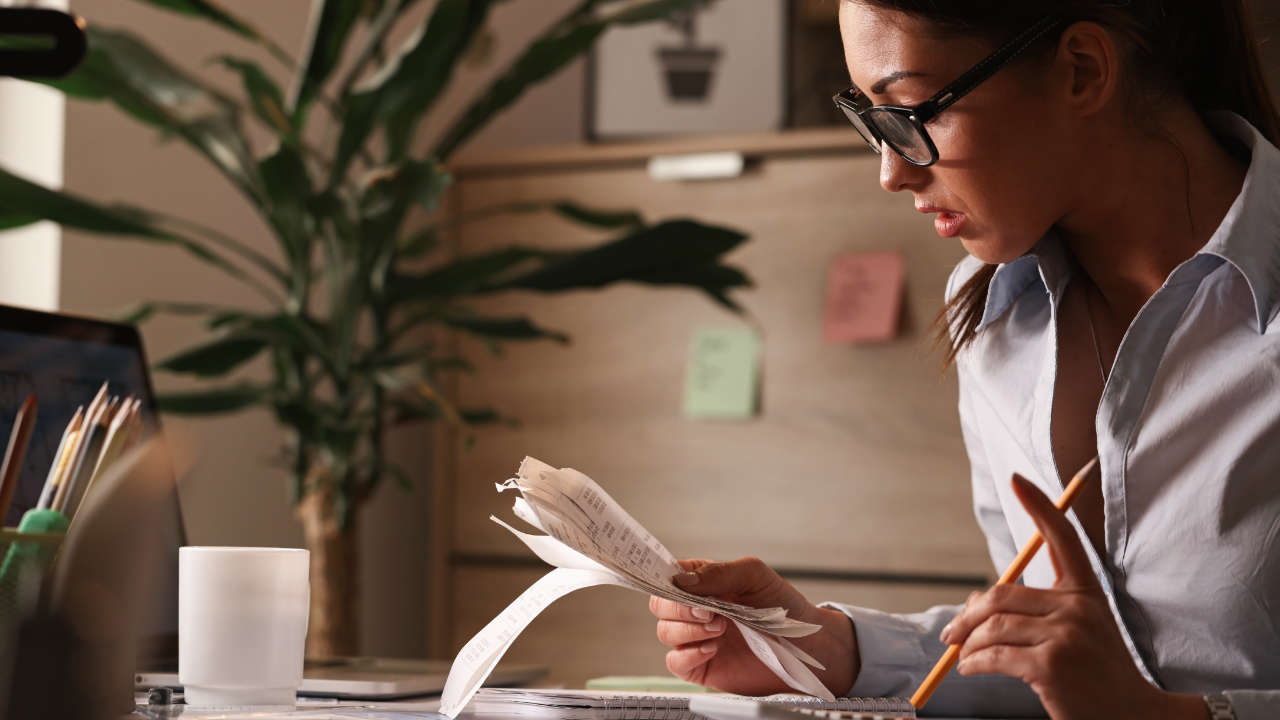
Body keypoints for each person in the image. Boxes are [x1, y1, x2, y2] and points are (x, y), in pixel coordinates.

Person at [648, 2, 1280, 719]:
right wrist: (828, 648)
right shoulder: (993, 318)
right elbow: (1044, 663)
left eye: (911, 110)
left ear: (1082, 71)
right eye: (869, 115)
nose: (889, 171)